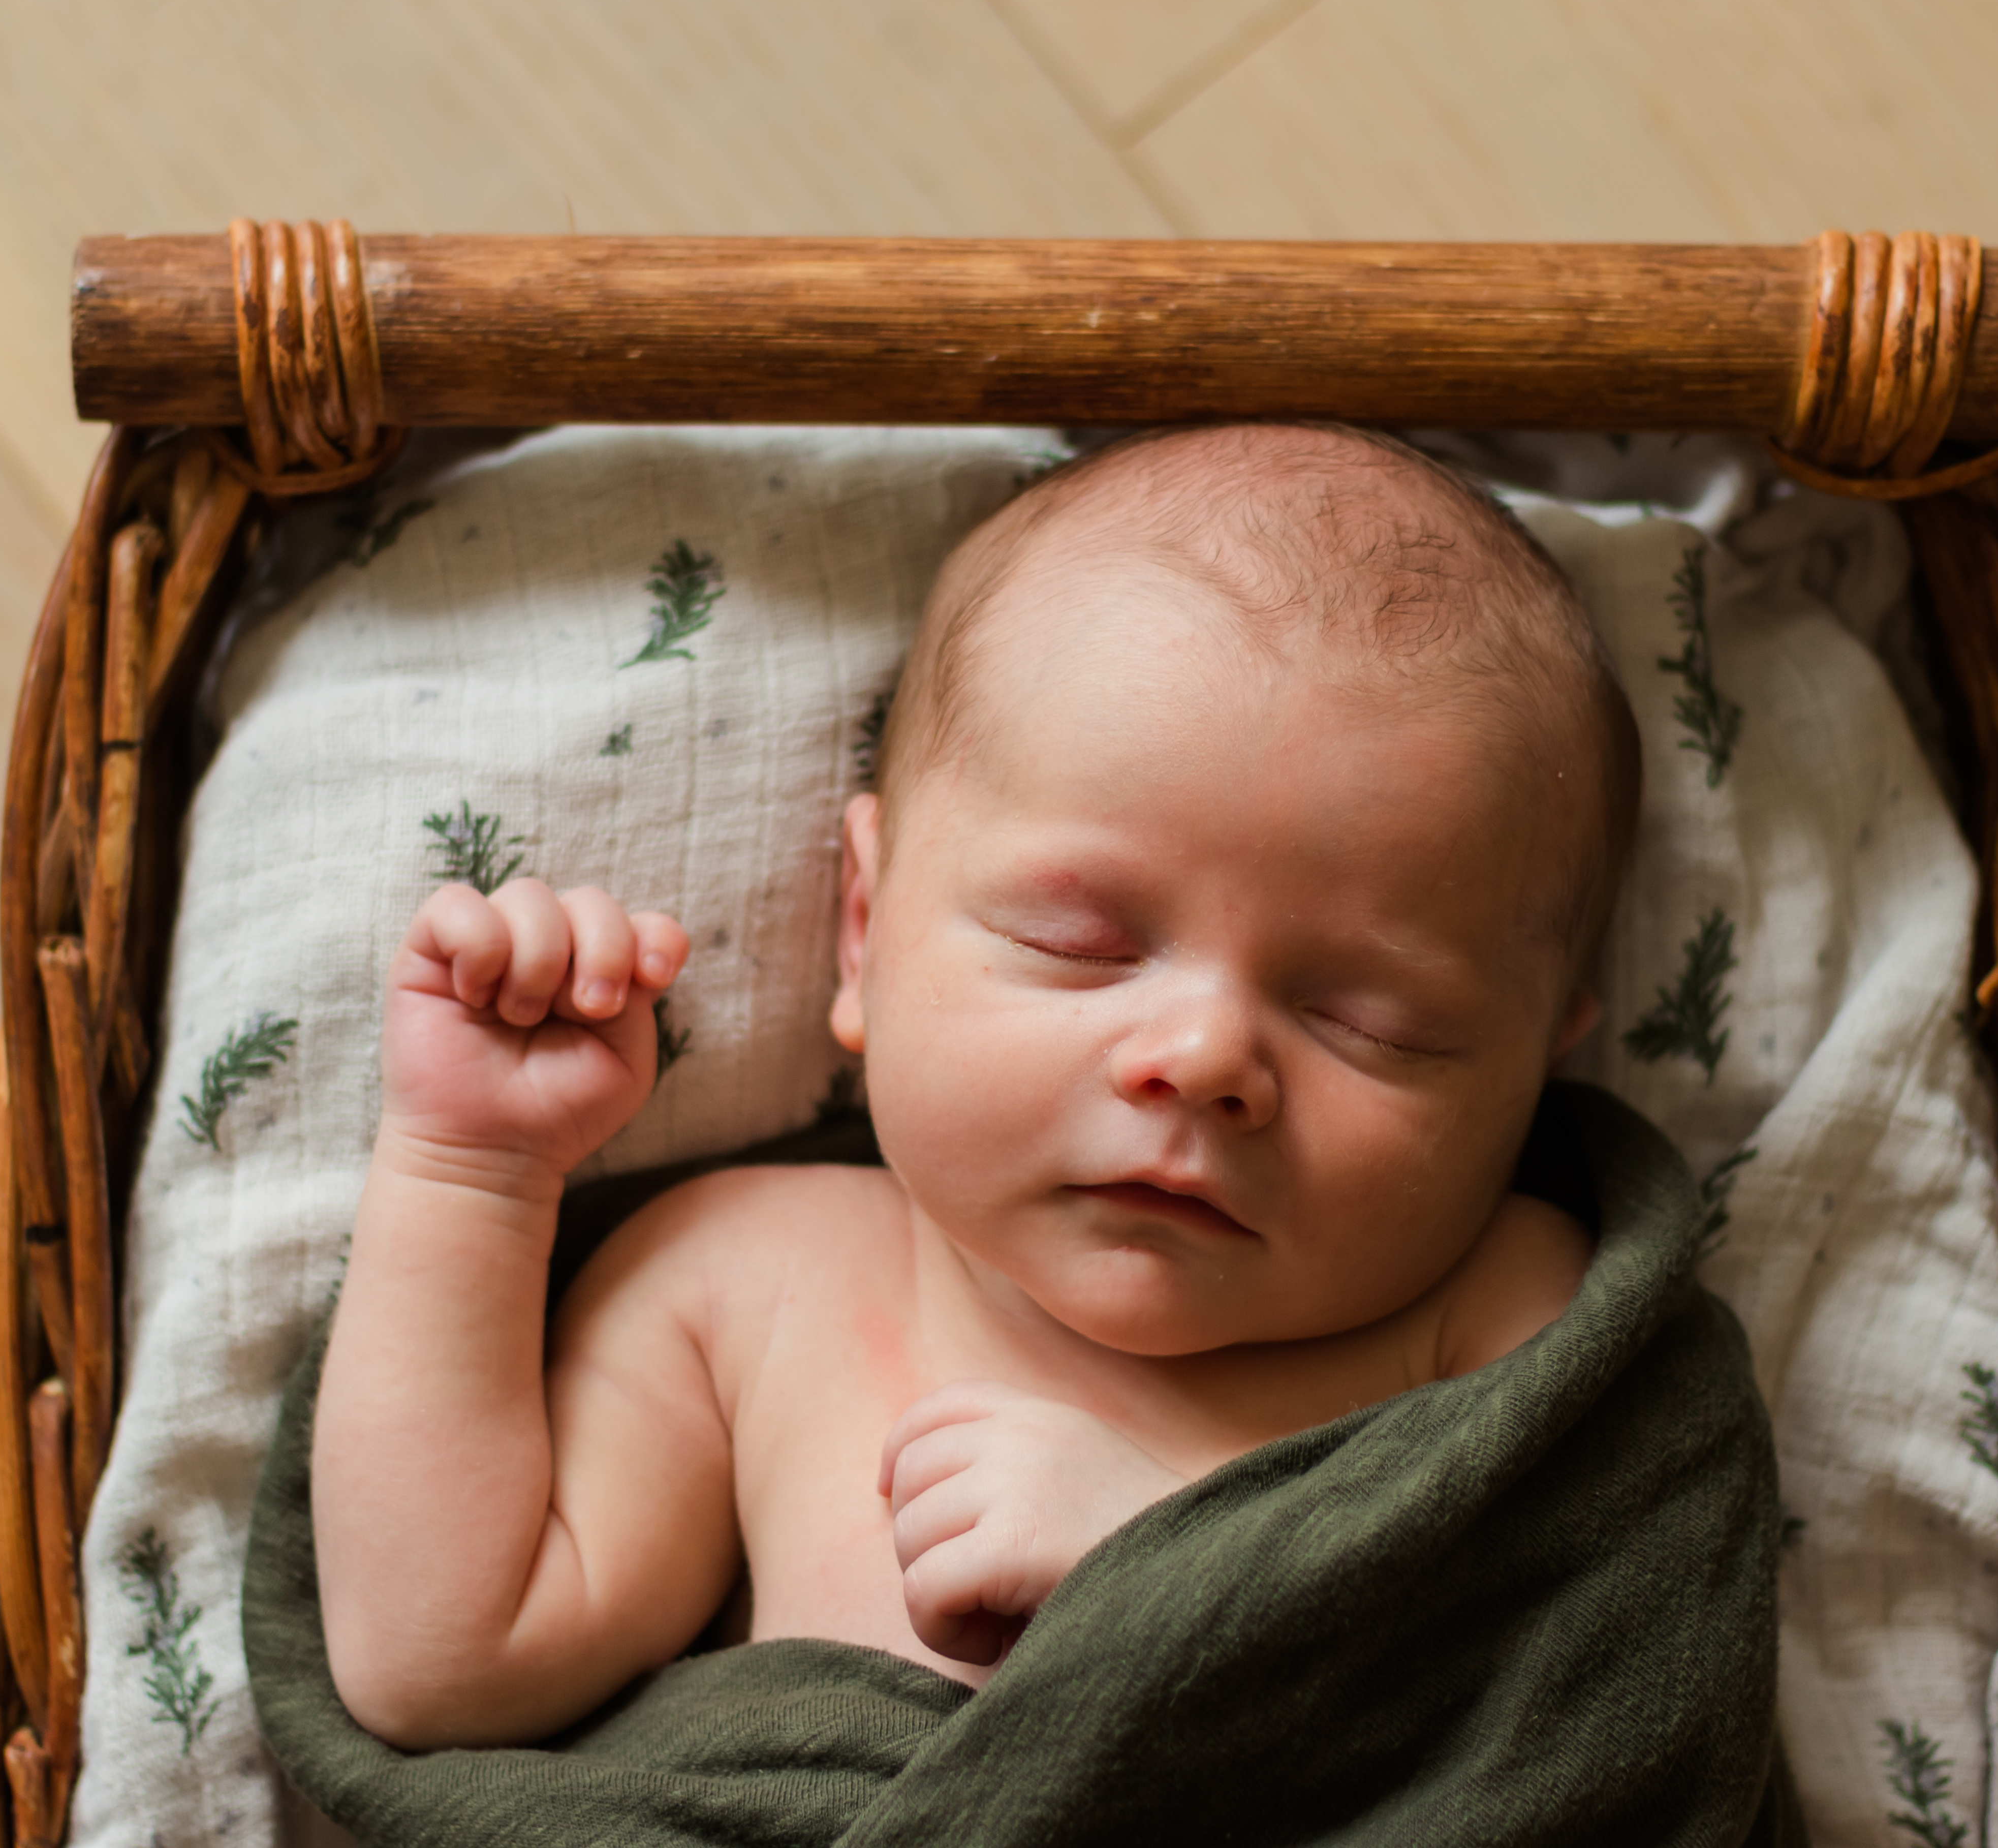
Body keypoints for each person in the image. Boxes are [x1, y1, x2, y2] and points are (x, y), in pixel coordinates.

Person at [309, 421, 1652, 1750]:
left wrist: (1177, 1584)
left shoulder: (1507, 1319)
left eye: (1371, 1020)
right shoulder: (751, 1290)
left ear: (1535, 1062)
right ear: (865, 930)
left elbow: (1584, 1730)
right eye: (1084, 948)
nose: (1200, 1062)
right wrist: (469, 1168)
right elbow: (443, 1666)